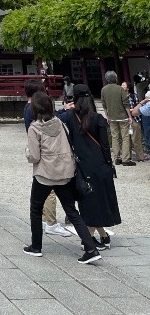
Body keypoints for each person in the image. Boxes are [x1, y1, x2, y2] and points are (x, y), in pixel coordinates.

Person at [23, 91, 101, 264]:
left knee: (36, 209)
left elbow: (34, 157)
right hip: (65, 173)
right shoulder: (60, 123)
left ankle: (36, 246)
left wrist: (27, 152)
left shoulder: (35, 128)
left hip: (44, 174)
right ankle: (90, 248)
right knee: (72, 211)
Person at [59, 84, 121, 251]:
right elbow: (105, 147)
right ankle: (102, 236)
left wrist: (66, 107)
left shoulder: (69, 117)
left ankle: (89, 239)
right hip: (100, 165)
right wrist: (110, 165)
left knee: (88, 204)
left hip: (82, 167)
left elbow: (54, 118)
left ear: (75, 98)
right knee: (100, 202)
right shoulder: (99, 119)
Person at [23, 79, 71, 238]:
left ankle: (45, 221)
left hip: (41, 153)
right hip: (47, 155)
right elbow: (50, 122)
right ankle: (50, 222)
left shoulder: (28, 107)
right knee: (50, 190)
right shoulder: (34, 110)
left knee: (43, 193)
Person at [100, 70, 134, 166]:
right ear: (115, 78)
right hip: (122, 116)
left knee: (115, 137)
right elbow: (126, 104)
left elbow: (104, 105)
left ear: (106, 79)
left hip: (111, 117)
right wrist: (129, 116)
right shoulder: (120, 89)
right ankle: (126, 159)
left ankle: (117, 157)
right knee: (125, 137)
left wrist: (107, 116)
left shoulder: (103, 89)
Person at [122, 81, 147, 162]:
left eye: (123, 85)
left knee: (136, 139)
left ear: (128, 88)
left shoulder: (133, 96)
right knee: (126, 139)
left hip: (134, 119)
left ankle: (140, 157)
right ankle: (127, 157)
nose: (121, 86)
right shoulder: (121, 96)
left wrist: (130, 111)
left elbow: (137, 107)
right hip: (124, 120)